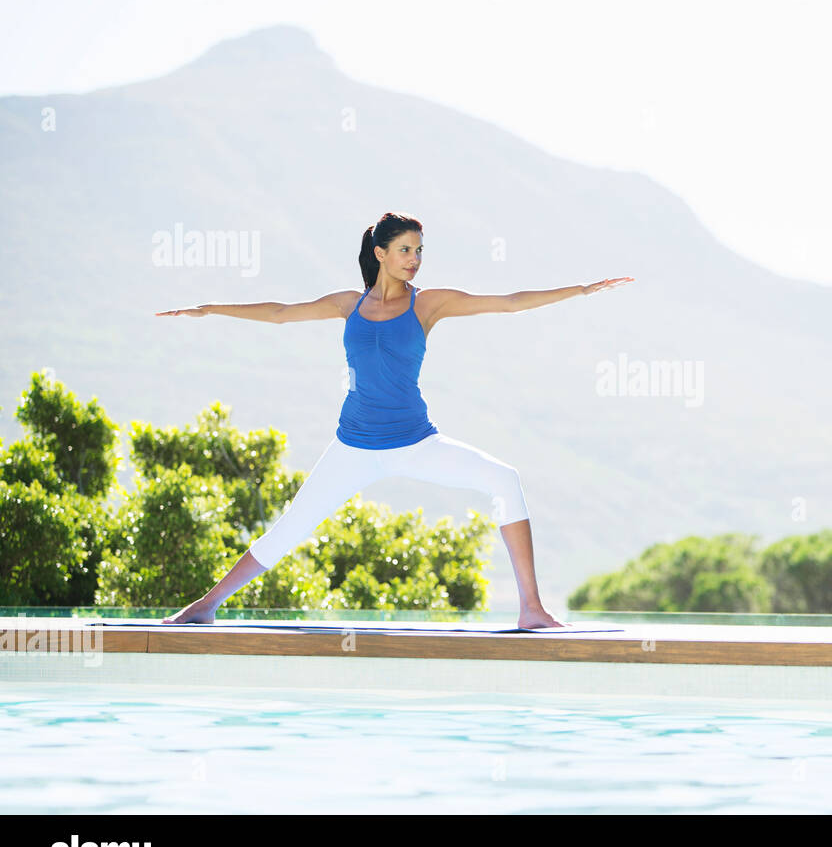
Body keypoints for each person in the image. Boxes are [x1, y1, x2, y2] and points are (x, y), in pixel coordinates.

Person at [156, 210, 633, 628]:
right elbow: (280, 313)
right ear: (380, 253)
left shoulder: (428, 303)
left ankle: (531, 608)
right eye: (405, 249)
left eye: (420, 250)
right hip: (352, 448)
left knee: (505, 480)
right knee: (289, 529)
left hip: (414, 442)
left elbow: (508, 301)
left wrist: (582, 289)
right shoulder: (350, 305)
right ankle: (207, 604)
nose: (415, 259)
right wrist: (209, 308)